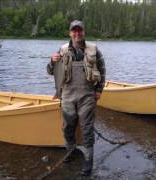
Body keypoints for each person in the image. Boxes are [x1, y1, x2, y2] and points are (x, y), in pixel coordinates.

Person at [47, 20, 106, 176]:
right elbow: (49, 71)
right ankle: (70, 152)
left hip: (87, 96)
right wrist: (52, 62)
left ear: (84, 32)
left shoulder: (94, 49)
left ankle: (88, 161)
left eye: (80, 30)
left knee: (87, 130)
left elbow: (102, 70)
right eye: (74, 31)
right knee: (67, 127)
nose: (77, 33)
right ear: (70, 33)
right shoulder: (62, 49)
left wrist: (99, 89)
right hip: (67, 95)